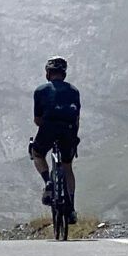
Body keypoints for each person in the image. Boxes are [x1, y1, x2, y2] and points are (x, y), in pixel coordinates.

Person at [31, 57, 81, 236]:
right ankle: (71, 208)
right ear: (64, 73)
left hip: (48, 129)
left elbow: (37, 120)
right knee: (67, 166)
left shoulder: (40, 90)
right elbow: (76, 119)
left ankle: (49, 182)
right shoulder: (74, 91)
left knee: (37, 153)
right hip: (69, 130)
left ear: (48, 73)